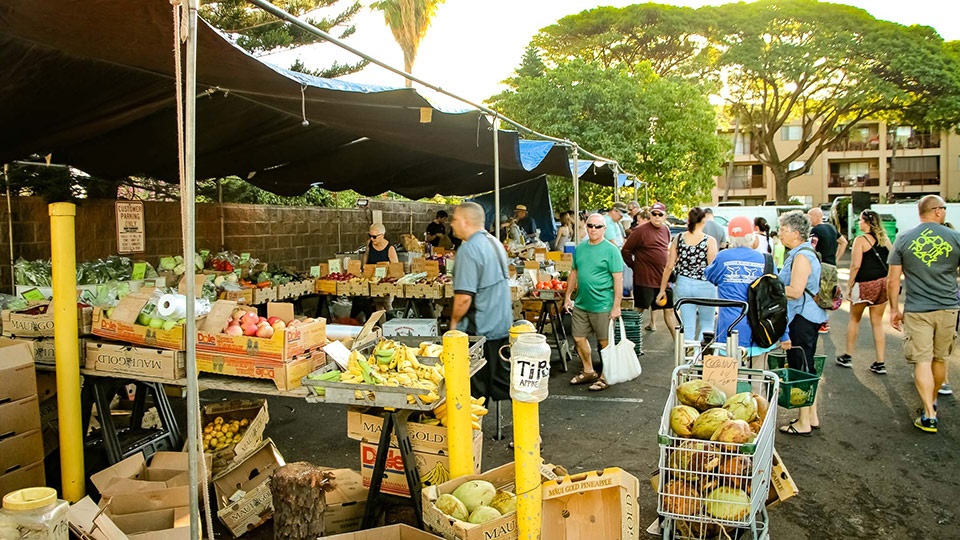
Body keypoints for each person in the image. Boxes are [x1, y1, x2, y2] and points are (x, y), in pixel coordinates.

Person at [887, 195, 960, 434]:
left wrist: (895, 309)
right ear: (937, 211)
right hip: (948, 307)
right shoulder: (955, 238)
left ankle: (929, 413)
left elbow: (893, 279)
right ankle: (933, 400)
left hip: (918, 309)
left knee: (922, 360)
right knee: (940, 358)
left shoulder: (904, 239)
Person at [449, 202, 513, 401]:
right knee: (499, 385)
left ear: (466, 221)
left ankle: (471, 432)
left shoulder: (469, 250)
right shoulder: (494, 242)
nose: (451, 224)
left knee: (472, 392)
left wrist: (453, 327)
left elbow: (463, 298)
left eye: (455, 219)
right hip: (501, 326)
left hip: (480, 331)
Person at [777, 210, 828, 436]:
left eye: (783, 229)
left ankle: (803, 422)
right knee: (807, 367)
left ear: (796, 233)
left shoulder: (801, 256)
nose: (780, 234)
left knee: (800, 370)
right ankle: (811, 416)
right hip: (808, 317)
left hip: (801, 319)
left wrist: (771, 287)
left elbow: (796, 291)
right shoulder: (804, 252)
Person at [705, 216, 780, 367]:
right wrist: (784, 335)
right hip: (758, 328)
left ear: (731, 236)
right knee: (757, 379)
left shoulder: (723, 257)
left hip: (729, 327)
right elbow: (777, 296)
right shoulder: (765, 260)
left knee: (726, 381)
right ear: (752, 235)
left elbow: (710, 276)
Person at [563, 213, 623, 392]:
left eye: (598, 226)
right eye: (590, 226)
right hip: (582, 303)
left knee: (604, 343)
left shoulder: (611, 250)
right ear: (585, 227)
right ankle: (588, 370)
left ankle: (606, 376)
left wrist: (616, 306)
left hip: (603, 304)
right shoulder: (580, 248)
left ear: (604, 229)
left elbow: (618, 279)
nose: (593, 229)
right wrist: (567, 297)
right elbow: (573, 273)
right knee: (579, 338)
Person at [836, 210, 891, 374]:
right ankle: (880, 361)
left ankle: (848, 355)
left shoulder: (861, 240)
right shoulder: (885, 240)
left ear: (866, 222)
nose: (858, 223)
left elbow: (855, 265)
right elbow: (894, 259)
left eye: (860, 220)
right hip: (882, 284)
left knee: (854, 319)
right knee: (877, 323)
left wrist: (849, 286)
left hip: (864, 284)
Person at [657, 207, 718, 342]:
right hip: (704, 285)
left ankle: (688, 356)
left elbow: (668, 267)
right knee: (707, 324)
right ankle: (701, 356)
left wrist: (662, 290)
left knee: (687, 326)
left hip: (683, 284)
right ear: (703, 221)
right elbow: (712, 268)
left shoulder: (678, 238)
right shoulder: (709, 241)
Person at [622, 202, 678, 338]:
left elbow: (665, 250)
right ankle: (628, 340)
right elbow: (626, 250)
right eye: (654, 214)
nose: (657, 217)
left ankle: (678, 343)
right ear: (650, 214)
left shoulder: (666, 230)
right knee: (639, 310)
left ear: (665, 216)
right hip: (644, 280)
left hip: (662, 279)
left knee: (669, 310)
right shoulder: (640, 231)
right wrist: (635, 266)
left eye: (660, 214)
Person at [809, 207, 848, 333]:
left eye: (810, 216)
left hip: (821, 266)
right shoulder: (831, 228)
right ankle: (824, 321)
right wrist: (837, 257)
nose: (809, 219)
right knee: (828, 293)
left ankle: (821, 323)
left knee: (819, 292)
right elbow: (844, 242)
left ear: (816, 216)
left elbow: (812, 247)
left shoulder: (816, 230)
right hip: (832, 265)